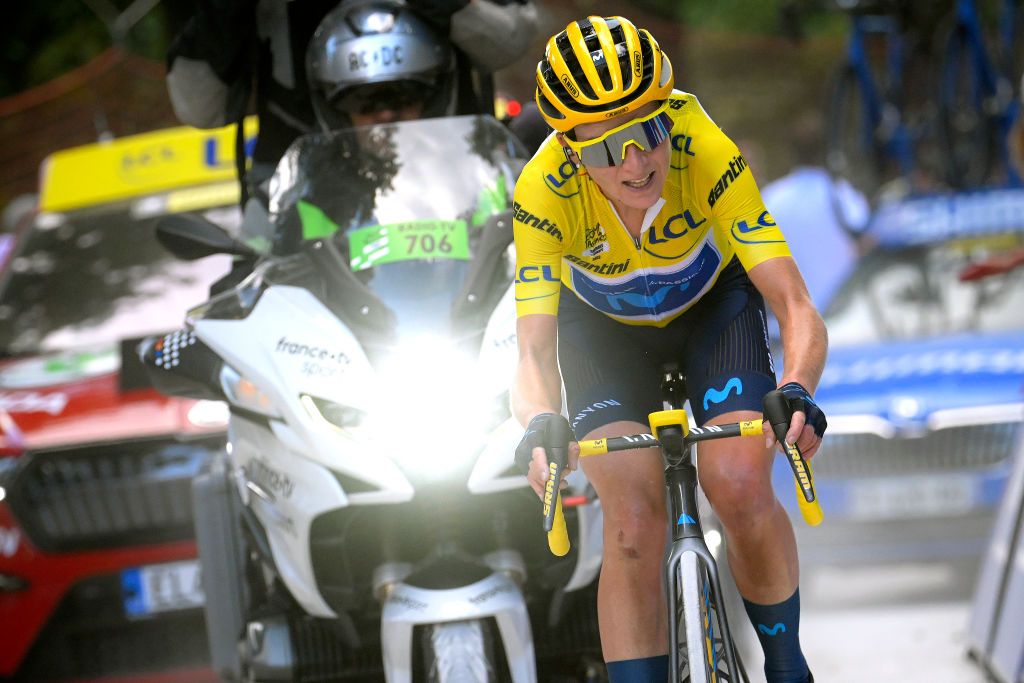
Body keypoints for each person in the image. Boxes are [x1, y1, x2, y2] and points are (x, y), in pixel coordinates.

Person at [511, 16, 827, 683]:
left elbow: (795, 304)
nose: (636, 162)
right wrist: (540, 423)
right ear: (570, 152)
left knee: (738, 482)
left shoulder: (703, 146)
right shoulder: (539, 193)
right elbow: (533, 355)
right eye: (607, 150)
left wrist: (797, 387)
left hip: (715, 311)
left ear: (668, 117)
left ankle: (789, 665)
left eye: (648, 130)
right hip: (604, 333)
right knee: (628, 523)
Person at [166, 0, 538, 198]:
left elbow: (511, 44)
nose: (384, 111)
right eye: (364, 100)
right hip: (295, 202)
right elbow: (199, 108)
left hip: (456, 181)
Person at [760, 110, 867, 312]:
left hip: (792, 323)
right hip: (847, 318)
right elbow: (866, 247)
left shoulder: (771, 199)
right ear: (828, 151)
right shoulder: (843, 195)